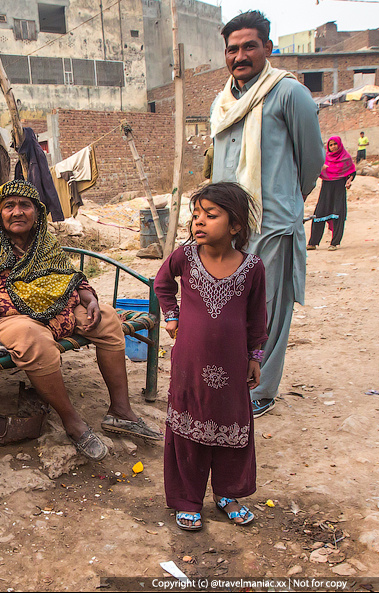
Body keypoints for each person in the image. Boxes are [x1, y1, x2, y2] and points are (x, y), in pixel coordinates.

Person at [0, 179, 162, 461]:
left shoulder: (44, 244)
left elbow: (70, 278)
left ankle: (121, 411)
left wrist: (90, 299)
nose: (17, 212)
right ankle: (72, 422)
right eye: (9, 206)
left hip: (58, 310)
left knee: (107, 317)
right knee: (35, 341)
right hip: (10, 315)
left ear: (37, 213)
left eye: (25, 205)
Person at [210, 10, 324, 418]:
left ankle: (261, 392)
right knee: (228, 306)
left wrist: (287, 199)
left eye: (248, 46)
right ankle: (231, 380)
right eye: (232, 48)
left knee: (268, 308)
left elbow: (312, 160)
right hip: (228, 226)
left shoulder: (288, 93)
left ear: (267, 49)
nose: (240, 55)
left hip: (272, 222)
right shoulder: (223, 102)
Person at [155, 182, 268, 531]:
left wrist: (255, 356)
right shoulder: (185, 257)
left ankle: (227, 494)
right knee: (189, 423)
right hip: (189, 364)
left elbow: (257, 317)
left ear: (235, 225)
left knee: (232, 425)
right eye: (196, 215)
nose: (199, 222)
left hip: (233, 366)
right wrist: (171, 316)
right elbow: (162, 282)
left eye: (210, 215)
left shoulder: (252, 267)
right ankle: (188, 499)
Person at [308, 136, 356, 251]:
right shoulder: (324, 158)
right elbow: (315, 169)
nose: (333, 147)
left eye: (335, 144)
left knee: (338, 214)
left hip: (339, 189)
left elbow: (352, 172)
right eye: (331, 145)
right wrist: (320, 167)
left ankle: (334, 243)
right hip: (326, 189)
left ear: (339, 145)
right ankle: (313, 242)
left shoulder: (346, 157)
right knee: (319, 214)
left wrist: (349, 181)